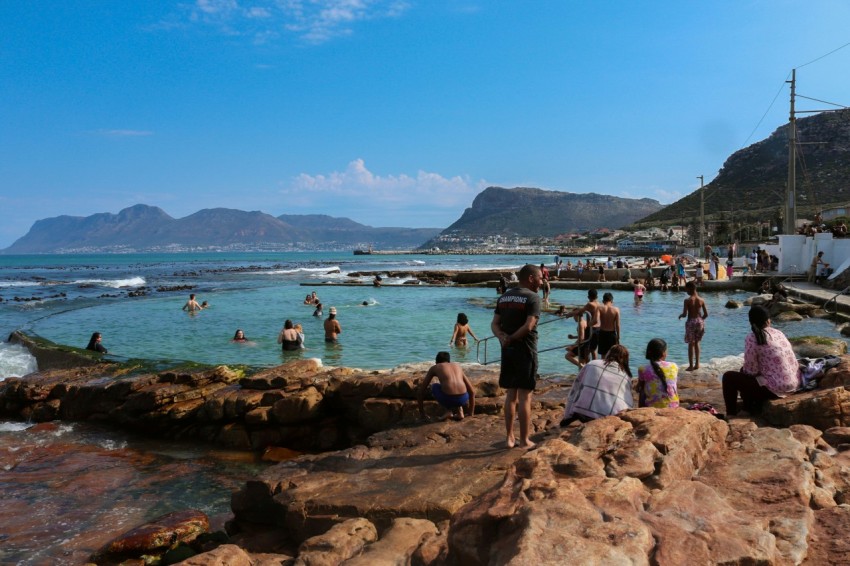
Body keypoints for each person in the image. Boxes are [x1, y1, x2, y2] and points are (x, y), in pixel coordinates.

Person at [491, 264, 541, 449]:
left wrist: (502, 337)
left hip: (507, 351)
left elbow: (495, 324)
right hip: (525, 350)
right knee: (525, 396)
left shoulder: (504, 297)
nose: (542, 281)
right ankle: (524, 440)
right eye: (540, 278)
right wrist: (511, 338)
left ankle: (509, 438)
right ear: (530, 278)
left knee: (511, 394)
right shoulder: (533, 297)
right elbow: (529, 326)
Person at [722, 306, 801, 416]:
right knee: (743, 372)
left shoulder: (752, 337)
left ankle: (731, 413)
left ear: (751, 322)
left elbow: (751, 371)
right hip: (795, 383)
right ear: (768, 320)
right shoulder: (778, 333)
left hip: (777, 388)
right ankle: (747, 408)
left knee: (728, 377)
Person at [561, 345, 634, 425]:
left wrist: (568, 412)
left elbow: (577, 386)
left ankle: (572, 415)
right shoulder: (625, 376)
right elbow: (627, 400)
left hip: (581, 413)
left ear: (608, 353)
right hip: (607, 418)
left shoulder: (593, 363)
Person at [418, 351, 476, 421]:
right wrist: (470, 413)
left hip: (448, 399)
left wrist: (422, 414)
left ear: (436, 362)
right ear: (449, 361)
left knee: (435, 386)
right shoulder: (457, 366)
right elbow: (472, 391)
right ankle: (460, 412)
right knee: (459, 388)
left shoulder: (435, 367)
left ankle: (448, 411)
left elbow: (421, 391)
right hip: (463, 399)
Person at [637, 338, 679, 408]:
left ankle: (641, 410)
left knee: (642, 389)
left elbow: (640, 387)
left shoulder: (643, 369)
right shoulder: (674, 366)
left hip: (653, 407)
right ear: (663, 353)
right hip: (674, 405)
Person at [679, 281, 708, 371]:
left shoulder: (687, 300)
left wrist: (680, 316)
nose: (686, 291)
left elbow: (685, 314)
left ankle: (691, 366)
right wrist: (700, 320)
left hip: (691, 322)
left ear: (690, 288)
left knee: (691, 344)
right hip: (700, 322)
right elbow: (706, 314)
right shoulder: (701, 300)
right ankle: (697, 364)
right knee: (697, 342)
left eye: (686, 289)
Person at [566, 289, 601, 360]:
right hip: (598, 328)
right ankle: (594, 366)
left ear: (588, 297)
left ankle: (587, 366)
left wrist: (570, 314)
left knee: (586, 349)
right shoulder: (599, 304)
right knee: (593, 350)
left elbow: (580, 311)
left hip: (591, 328)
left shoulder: (590, 304)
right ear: (597, 296)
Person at [597, 292, 620, 357]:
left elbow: (596, 320)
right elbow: (617, 325)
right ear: (612, 301)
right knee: (613, 355)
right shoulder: (616, 310)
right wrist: (618, 336)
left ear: (603, 301)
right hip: (612, 334)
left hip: (602, 333)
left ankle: (603, 367)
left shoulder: (600, 308)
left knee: (603, 356)